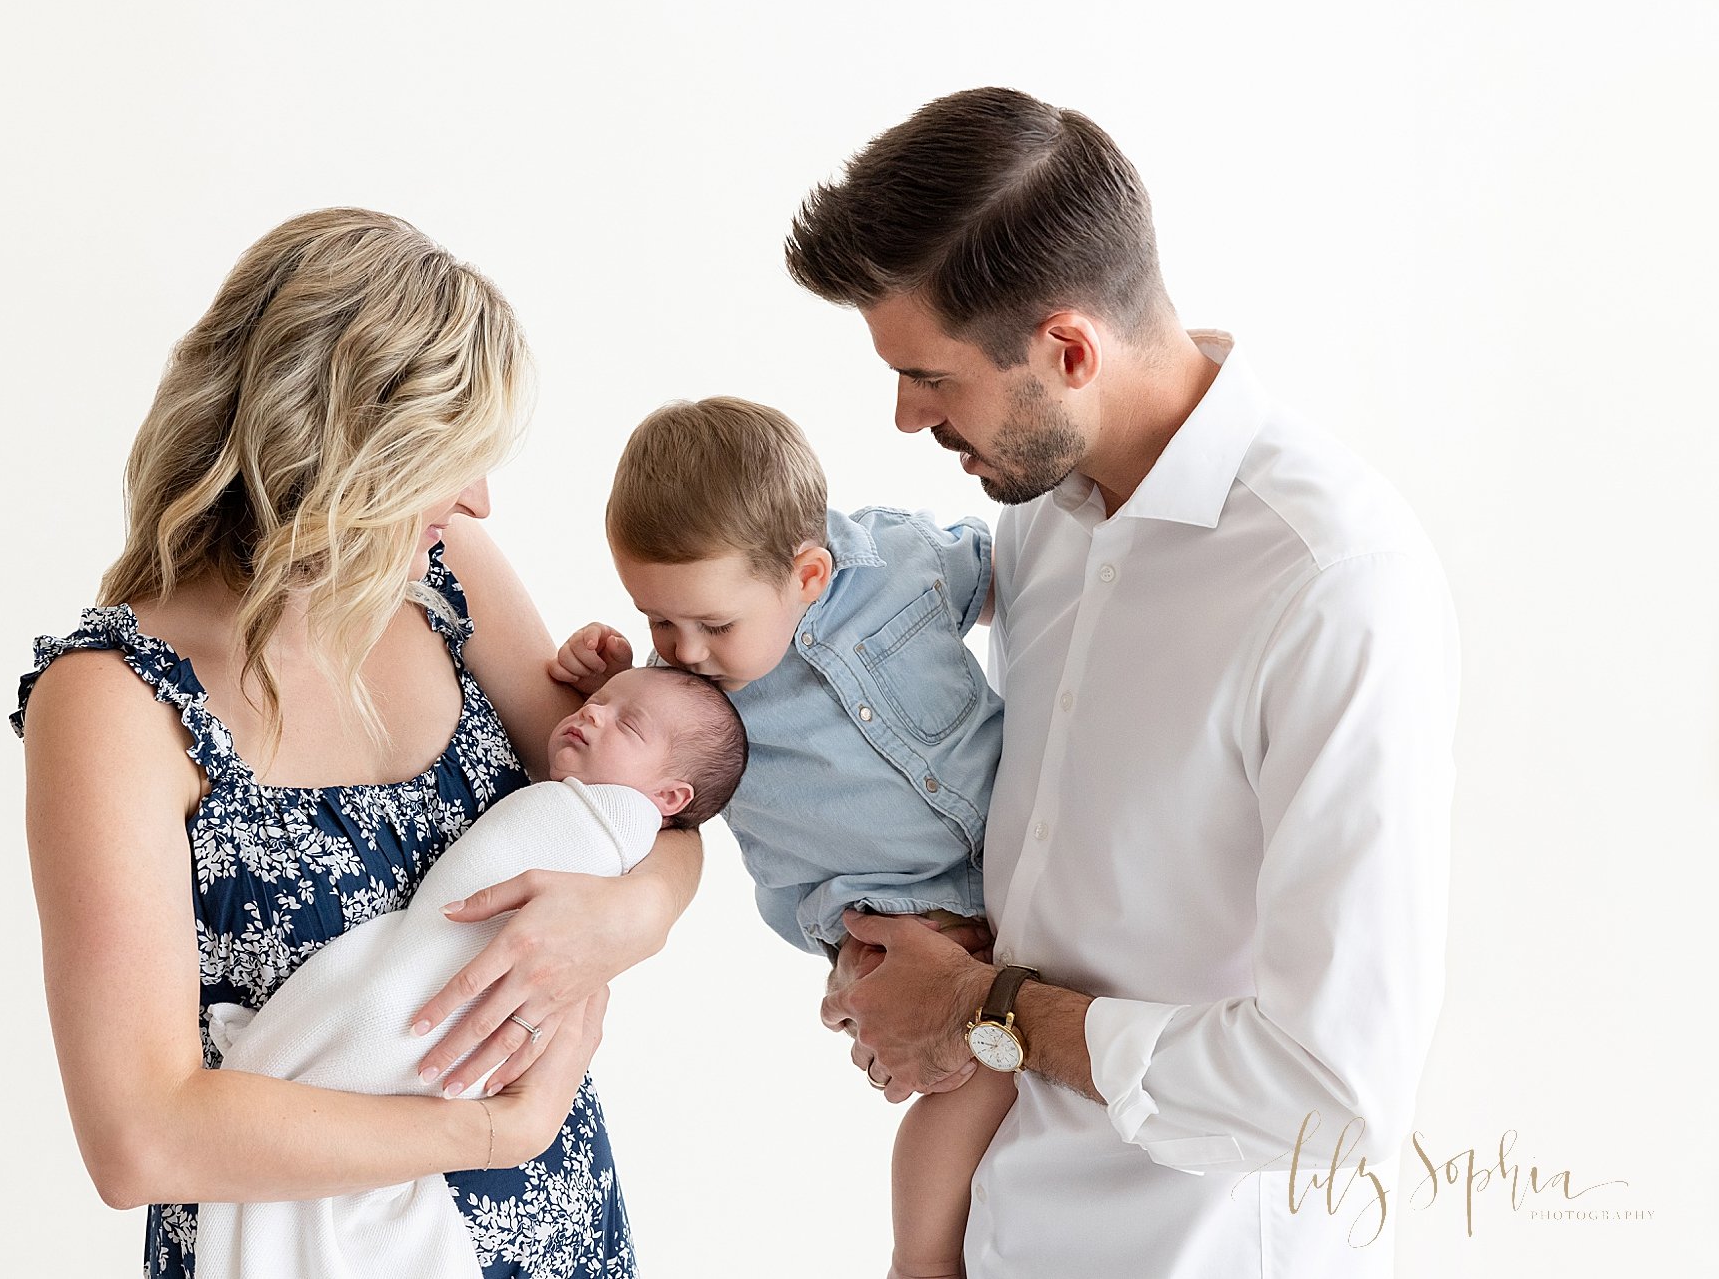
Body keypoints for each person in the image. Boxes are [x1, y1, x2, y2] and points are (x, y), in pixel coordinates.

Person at [790, 89, 1459, 1277]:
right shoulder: (1043, 521)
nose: (903, 416)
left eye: (930, 377)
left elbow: (1335, 1093)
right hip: (996, 1231)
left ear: (1066, 350)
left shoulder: (1329, 583)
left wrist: (982, 1010)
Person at [12, 207, 700, 1279]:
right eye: (451, 458)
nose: (479, 497)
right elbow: (139, 1136)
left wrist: (626, 914)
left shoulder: (448, 576)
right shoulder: (112, 699)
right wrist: (489, 1135)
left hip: (559, 1231)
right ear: (341, 451)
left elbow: (655, 797)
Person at [551, 396, 1011, 1279]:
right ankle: (920, 1260)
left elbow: (1013, 576)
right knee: (969, 1082)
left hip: (1028, 858)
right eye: (657, 621)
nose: (682, 650)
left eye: (712, 625)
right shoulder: (687, 706)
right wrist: (602, 692)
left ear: (808, 575)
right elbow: (613, 783)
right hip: (895, 920)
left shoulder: (904, 562)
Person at [195, 667, 748, 1279]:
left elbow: (677, 844)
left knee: (401, 1017)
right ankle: (298, 1061)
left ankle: (291, 1057)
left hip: (551, 1197)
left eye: (627, 722)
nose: (592, 713)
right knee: (386, 1006)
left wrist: (643, 907)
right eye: (596, 699)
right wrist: (512, 1129)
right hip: (323, 1137)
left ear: (668, 800)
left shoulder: (605, 825)